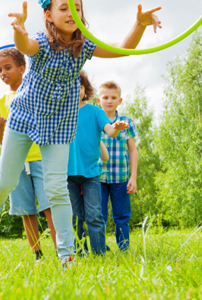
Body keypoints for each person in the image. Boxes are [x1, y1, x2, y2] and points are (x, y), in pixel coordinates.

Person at [0, 0, 161, 268]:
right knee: (6, 182)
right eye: (64, 7)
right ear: (49, 15)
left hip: (59, 124)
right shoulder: (41, 41)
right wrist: (19, 28)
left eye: (77, 7)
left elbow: (122, 50)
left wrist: (140, 25)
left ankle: (67, 255)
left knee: (57, 190)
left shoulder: (83, 46)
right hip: (24, 116)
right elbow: (24, 45)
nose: (72, 13)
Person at [0, 47, 57, 261]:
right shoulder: (0, 103)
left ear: (22, 68)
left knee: (50, 206)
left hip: (40, 157)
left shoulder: (34, 93)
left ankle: (61, 251)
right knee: (25, 210)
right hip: (17, 163)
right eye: (0, 69)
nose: (3, 73)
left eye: (7, 67)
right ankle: (38, 255)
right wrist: (1, 127)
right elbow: (3, 142)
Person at [67, 71, 123, 256]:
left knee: (94, 215)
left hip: (91, 173)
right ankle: (79, 252)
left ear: (85, 89)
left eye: (79, 85)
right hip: (68, 174)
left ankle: (99, 253)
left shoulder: (95, 112)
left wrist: (115, 129)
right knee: (75, 216)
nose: (75, 89)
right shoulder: (61, 113)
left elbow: (110, 131)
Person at [98, 81, 138, 251]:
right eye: (105, 97)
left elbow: (133, 150)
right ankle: (99, 247)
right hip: (97, 177)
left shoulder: (126, 121)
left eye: (113, 98)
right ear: (98, 101)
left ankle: (123, 247)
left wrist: (133, 177)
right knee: (98, 215)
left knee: (121, 215)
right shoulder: (96, 120)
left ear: (120, 101)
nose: (109, 101)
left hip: (120, 177)